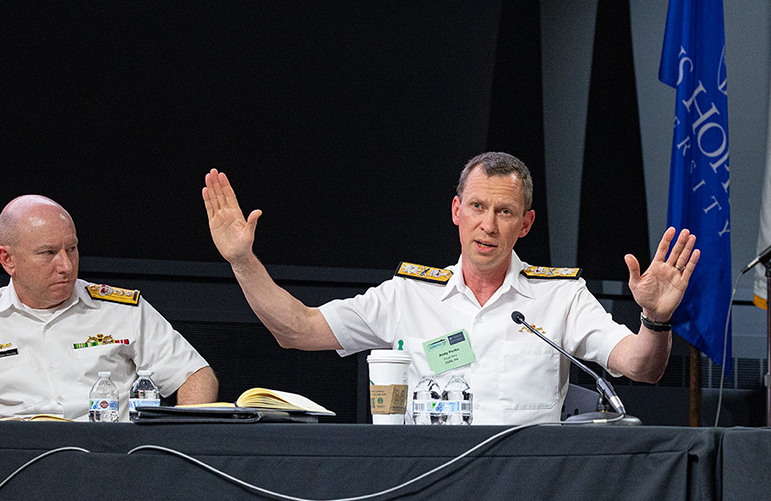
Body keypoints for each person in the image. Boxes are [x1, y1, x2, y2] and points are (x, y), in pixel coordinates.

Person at [202, 152, 700, 425]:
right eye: (478, 208)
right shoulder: (407, 295)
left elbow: (642, 366)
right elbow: (299, 329)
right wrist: (243, 261)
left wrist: (654, 320)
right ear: (456, 211)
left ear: (525, 224)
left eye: (504, 212)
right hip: (429, 485)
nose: (488, 225)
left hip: (530, 487)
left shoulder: (560, 297)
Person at [0, 195, 218, 421]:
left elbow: (195, 375)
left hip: (115, 461)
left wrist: (181, 441)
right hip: (16, 466)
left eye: (72, 249)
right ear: (7, 260)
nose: (66, 265)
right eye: (48, 253)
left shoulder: (121, 309)